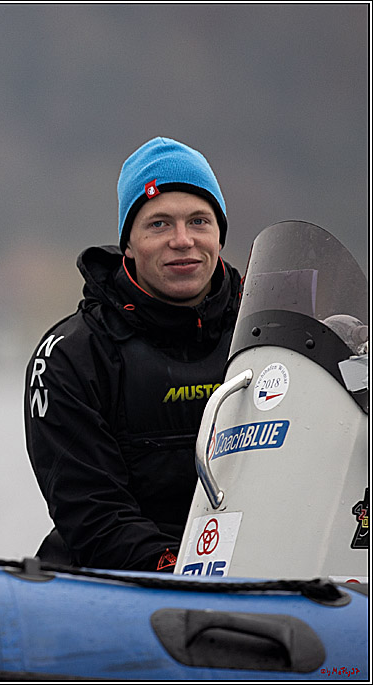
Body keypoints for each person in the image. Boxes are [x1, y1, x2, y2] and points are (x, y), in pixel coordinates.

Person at [24, 137, 243, 572]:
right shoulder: (69, 357)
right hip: (117, 585)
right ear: (128, 244)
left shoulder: (267, 333)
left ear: (219, 234)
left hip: (257, 574)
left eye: (199, 221)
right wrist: (181, 572)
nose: (183, 241)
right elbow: (93, 513)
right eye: (159, 225)